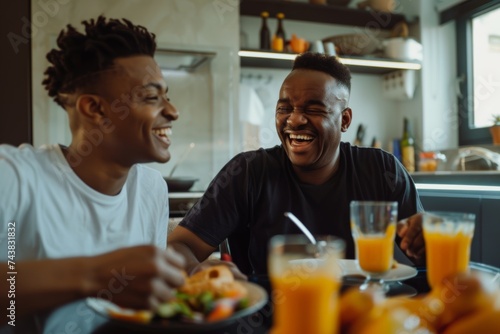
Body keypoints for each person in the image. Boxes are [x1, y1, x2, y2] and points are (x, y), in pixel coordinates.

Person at [168, 52, 425, 277]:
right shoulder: (247, 173)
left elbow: (422, 254)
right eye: (285, 108)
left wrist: (425, 240)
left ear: (345, 120)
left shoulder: (382, 170)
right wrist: (197, 271)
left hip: (363, 315)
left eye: (314, 109)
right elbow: (179, 246)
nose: (295, 120)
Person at [0, 16, 186, 325]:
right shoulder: (15, 177)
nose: (172, 111)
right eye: (152, 97)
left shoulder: (152, 188)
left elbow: (143, 308)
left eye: (167, 95)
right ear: (95, 109)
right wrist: (95, 276)